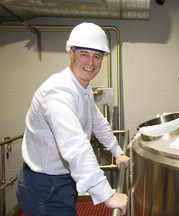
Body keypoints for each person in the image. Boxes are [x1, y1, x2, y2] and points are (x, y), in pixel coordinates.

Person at [16, 22, 130, 216]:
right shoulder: (58, 92)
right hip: (45, 186)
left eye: (97, 56)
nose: (91, 62)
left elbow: (98, 122)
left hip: (62, 179)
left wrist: (117, 151)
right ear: (71, 53)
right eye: (84, 54)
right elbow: (74, 143)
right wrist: (107, 195)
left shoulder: (82, 88)